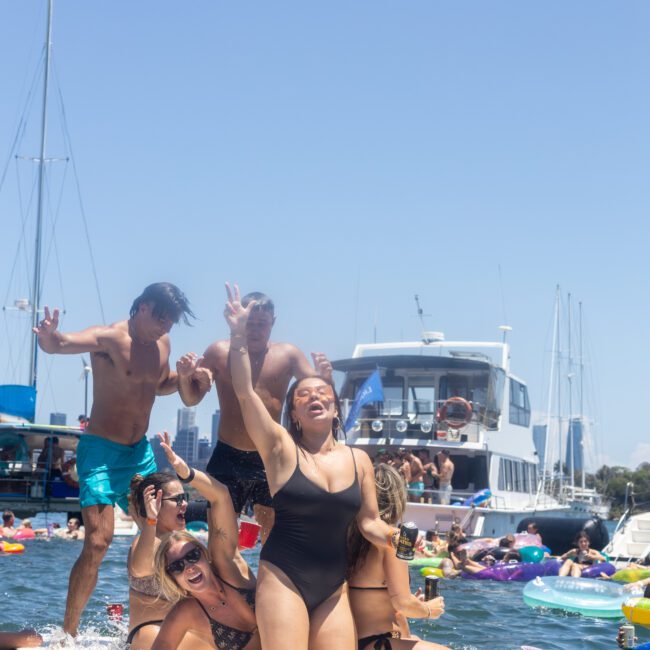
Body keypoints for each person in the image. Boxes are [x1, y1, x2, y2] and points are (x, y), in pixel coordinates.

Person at [224, 283, 401, 649]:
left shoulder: (359, 460)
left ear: (336, 408)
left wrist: (395, 537)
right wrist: (238, 335)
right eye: (303, 394)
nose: (314, 396)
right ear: (295, 413)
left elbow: (368, 521)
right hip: (283, 578)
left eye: (323, 393)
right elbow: (244, 392)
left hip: (334, 586)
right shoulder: (280, 448)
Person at [33, 282, 197, 636]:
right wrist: (49, 335)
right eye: (161, 318)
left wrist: (184, 377)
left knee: (165, 532)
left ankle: (155, 617)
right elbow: (59, 344)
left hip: (139, 454)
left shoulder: (162, 344)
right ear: (142, 307)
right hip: (102, 453)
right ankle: (69, 633)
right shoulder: (108, 338)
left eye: (170, 323)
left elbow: (162, 383)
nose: (165, 328)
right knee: (97, 541)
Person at [177, 290, 331, 542]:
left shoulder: (288, 354)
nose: (256, 329)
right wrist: (185, 377)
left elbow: (319, 394)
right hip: (228, 453)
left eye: (262, 324)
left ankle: (268, 581)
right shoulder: (218, 351)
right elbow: (191, 398)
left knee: (273, 533)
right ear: (239, 319)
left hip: (269, 455)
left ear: (273, 322)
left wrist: (326, 378)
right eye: (250, 323)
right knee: (220, 534)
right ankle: (223, 578)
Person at [128, 434, 240, 650]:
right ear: (156, 504)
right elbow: (140, 568)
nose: (184, 505)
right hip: (151, 632)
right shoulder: (146, 541)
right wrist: (150, 521)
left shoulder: (182, 540)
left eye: (185, 498)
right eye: (177, 500)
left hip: (187, 631)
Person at [150, 433, 260, 650]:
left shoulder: (228, 567)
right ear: (173, 579)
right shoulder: (186, 612)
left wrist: (186, 472)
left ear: (205, 555)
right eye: (177, 566)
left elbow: (220, 496)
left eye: (192, 556)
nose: (188, 567)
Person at [348, 463, 447, 650]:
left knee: (413, 637)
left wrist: (411, 600)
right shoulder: (394, 541)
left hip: (360, 639)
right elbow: (402, 604)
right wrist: (428, 610)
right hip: (379, 641)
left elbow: (384, 601)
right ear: (398, 498)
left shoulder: (351, 538)